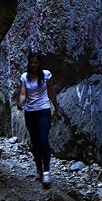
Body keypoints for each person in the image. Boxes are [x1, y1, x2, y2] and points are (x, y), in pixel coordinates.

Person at [17, 52, 65, 187]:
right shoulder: (24, 77)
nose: (33, 65)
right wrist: (20, 103)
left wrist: (56, 108)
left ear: (39, 64)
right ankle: (39, 168)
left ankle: (47, 172)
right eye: (31, 63)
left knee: (43, 140)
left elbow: (51, 92)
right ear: (29, 63)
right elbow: (22, 93)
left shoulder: (46, 75)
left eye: (36, 63)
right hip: (30, 112)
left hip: (43, 110)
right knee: (35, 142)